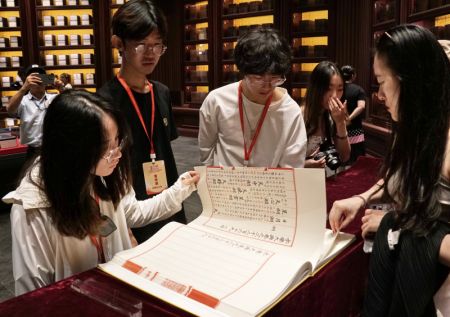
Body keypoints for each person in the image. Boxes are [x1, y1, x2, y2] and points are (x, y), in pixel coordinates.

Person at [2, 90, 199, 295]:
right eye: (106, 147)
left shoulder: (103, 175)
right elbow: (33, 295)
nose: (117, 154)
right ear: (72, 149)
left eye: (117, 141)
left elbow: (134, 213)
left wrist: (181, 187)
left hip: (120, 296)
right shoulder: (33, 207)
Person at [328, 24, 450, 316]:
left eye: (382, 81)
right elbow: (403, 176)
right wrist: (361, 198)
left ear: (411, 81)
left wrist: (399, 225)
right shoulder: (424, 128)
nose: (379, 95)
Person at [98, 0, 185, 243]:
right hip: (131, 211)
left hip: (168, 201)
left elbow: (164, 151)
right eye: (141, 45)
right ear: (119, 44)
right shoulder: (104, 101)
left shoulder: (163, 93)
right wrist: (123, 228)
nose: (150, 53)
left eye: (157, 45)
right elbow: (101, 174)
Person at [198, 26, 307, 168]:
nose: (267, 86)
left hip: (270, 187)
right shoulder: (217, 101)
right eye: (258, 77)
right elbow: (206, 148)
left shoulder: (290, 111)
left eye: (275, 78)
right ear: (243, 71)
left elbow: (293, 165)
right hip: (225, 185)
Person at [302, 61, 350, 169]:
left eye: (340, 89)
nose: (334, 95)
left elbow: (344, 156)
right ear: (316, 88)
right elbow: (280, 163)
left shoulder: (330, 116)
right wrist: (304, 165)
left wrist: (340, 123)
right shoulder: (299, 116)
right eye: (328, 89)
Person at [6, 64, 57, 159]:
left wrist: (62, 88)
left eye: (41, 77)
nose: (37, 80)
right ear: (27, 81)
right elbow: (10, 110)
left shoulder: (55, 98)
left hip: (54, 148)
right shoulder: (21, 100)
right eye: (33, 77)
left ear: (46, 80)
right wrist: (23, 88)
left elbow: (74, 106)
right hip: (32, 150)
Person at [340, 65, 366, 165]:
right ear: (353, 76)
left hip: (339, 129)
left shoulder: (338, 90)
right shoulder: (358, 90)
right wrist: (349, 118)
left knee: (341, 160)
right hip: (355, 129)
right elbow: (361, 107)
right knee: (356, 161)